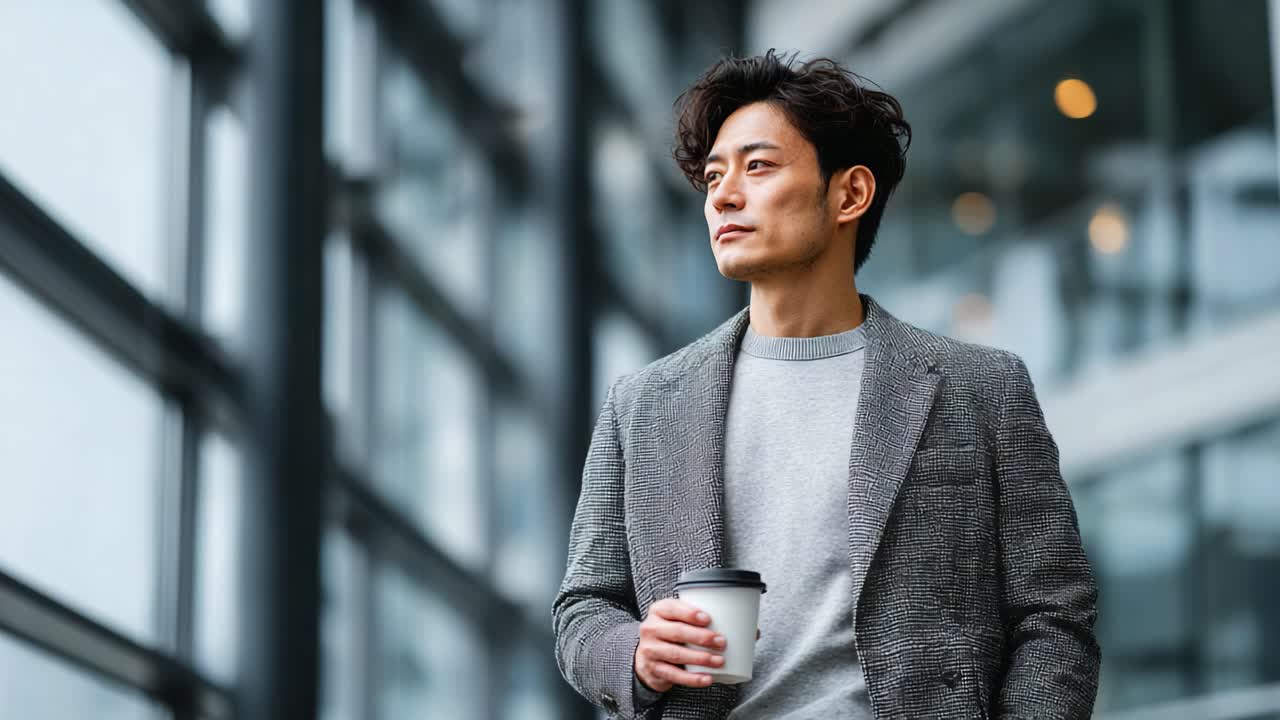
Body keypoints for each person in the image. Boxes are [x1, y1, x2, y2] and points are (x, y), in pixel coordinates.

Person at [552, 50, 1099, 720]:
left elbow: (1054, 617)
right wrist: (635, 652)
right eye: (715, 176)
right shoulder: (643, 404)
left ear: (850, 194)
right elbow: (584, 607)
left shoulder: (981, 389)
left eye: (757, 166)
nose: (722, 194)